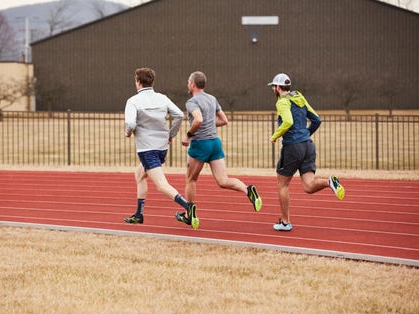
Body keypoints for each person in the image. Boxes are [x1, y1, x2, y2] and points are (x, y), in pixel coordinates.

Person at [175, 71, 262, 226]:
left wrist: (188, 135)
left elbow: (198, 120)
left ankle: (190, 214)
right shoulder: (212, 98)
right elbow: (224, 120)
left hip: (200, 144)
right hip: (215, 143)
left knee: (191, 180)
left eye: (189, 81)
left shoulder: (191, 102)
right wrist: (209, 124)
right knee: (223, 180)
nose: (187, 84)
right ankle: (248, 190)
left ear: (193, 84)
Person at [268, 73, 345, 231]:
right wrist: (305, 135)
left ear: (277, 87)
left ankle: (285, 222)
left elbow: (288, 121)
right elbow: (317, 119)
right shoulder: (299, 96)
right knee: (308, 186)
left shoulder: (282, 102)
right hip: (308, 145)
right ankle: (329, 182)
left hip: (292, 147)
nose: (272, 90)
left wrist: (275, 136)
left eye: (273, 87)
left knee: (282, 184)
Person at [123, 67, 199, 229]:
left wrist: (128, 132)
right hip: (162, 147)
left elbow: (130, 123)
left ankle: (188, 206)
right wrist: (171, 134)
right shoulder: (162, 98)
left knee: (161, 185)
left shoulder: (133, 101)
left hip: (147, 149)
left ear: (138, 82)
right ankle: (138, 215)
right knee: (139, 175)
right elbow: (179, 115)